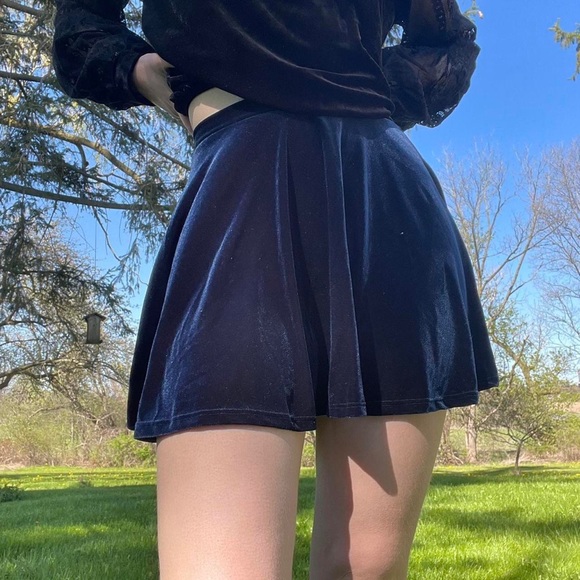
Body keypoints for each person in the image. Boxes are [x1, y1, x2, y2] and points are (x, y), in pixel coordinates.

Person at [52, 1, 499, 578]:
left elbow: (447, 42)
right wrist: (145, 73)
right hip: (242, 174)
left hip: (383, 194)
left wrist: (360, 87)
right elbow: (82, 30)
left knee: (366, 569)